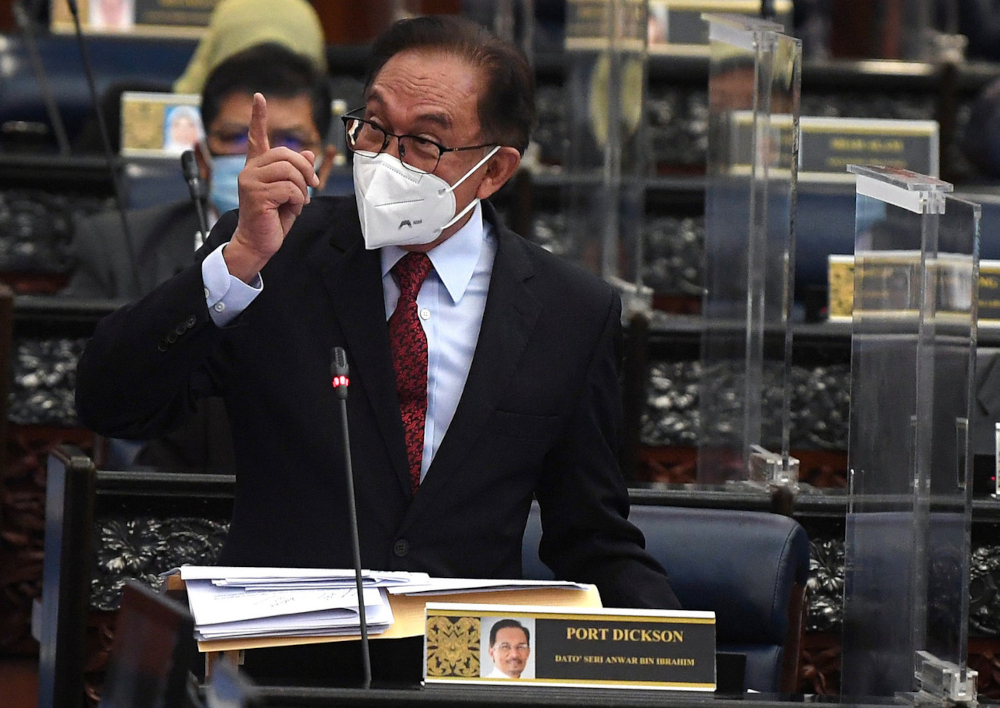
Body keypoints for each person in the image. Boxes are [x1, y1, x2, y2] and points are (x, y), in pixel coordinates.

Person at [76, 14, 680, 679]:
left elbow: (591, 534)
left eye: (424, 141)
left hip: (461, 674)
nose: (387, 159)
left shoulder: (571, 313)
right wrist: (236, 262)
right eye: (373, 127)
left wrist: (676, 656)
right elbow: (111, 401)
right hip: (277, 669)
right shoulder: (277, 254)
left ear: (495, 170)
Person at [64, 43, 337, 301]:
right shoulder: (116, 248)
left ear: (324, 166)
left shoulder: (360, 258)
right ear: (202, 160)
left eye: (289, 141)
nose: (262, 158)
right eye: (237, 138)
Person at [172, 0, 326, 95]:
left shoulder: (229, 9)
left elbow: (189, 90)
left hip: (237, 126)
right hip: (293, 128)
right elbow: (319, 89)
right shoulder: (306, 13)